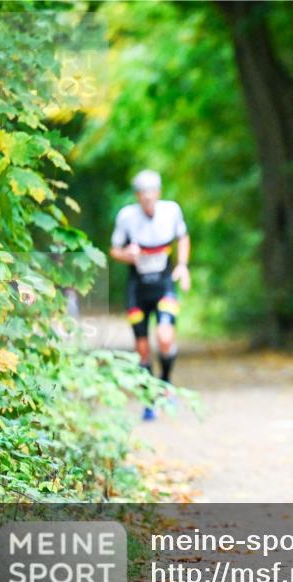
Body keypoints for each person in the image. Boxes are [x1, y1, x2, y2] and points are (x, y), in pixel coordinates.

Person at [110, 170, 191, 421]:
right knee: (142, 350)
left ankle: (165, 385)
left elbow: (183, 237)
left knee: (165, 338)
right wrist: (128, 255)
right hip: (138, 288)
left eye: (151, 192)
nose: (147, 198)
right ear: (137, 196)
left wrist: (182, 265)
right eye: (142, 194)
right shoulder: (127, 217)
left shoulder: (171, 211)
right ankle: (149, 398)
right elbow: (114, 250)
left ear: (158, 193)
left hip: (164, 283)